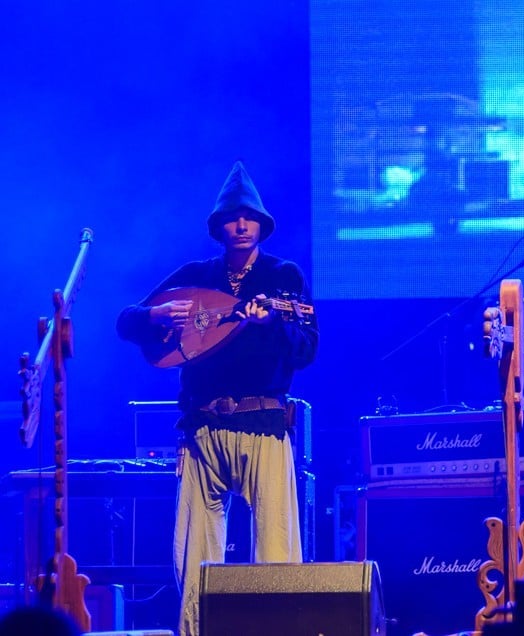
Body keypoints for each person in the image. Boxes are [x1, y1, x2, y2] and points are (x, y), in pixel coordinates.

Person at [116, 161, 318, 636]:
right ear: (219, 226)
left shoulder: (282, 275)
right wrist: (156, 315)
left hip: (263, 424)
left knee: (275, 551)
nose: (242, 225)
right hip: (202, 430)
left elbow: (308, 346)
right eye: (232, 217)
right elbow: (126, 321)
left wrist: (277, 325)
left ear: (262, 225)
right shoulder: (196, 275)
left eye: (250, 218)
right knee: (193, 556)